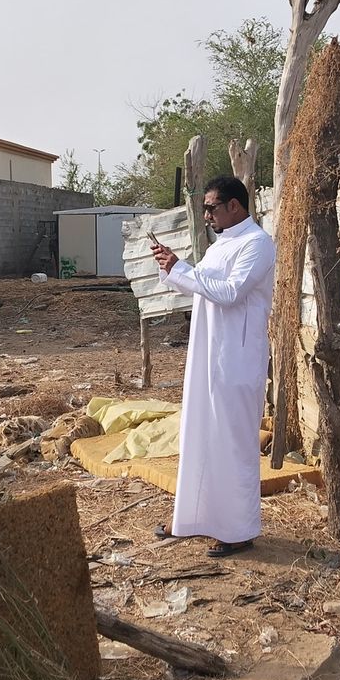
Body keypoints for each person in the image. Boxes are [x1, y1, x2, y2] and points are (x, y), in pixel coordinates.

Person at [149, 176, 276, 558]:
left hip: (236, 360)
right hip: (207, 357)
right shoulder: (221, 245)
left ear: (234, 206)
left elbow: (230, 292)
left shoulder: (257, 243)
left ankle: (238, 530)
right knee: (200, 436)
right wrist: (171, 267)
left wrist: (183, 269)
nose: (206, 215)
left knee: (233, 444)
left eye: (211, 208)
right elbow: (197, 286)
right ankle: (192, 520)